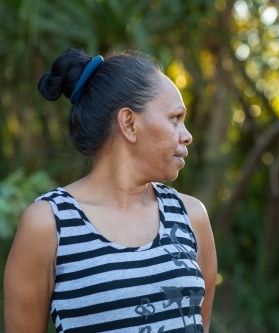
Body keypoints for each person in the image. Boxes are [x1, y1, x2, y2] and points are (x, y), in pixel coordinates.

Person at [4, 49, 217, 333]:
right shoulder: (48, 224)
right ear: (129, 123)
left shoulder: (192, 217)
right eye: (175, 118)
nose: (186, 134)